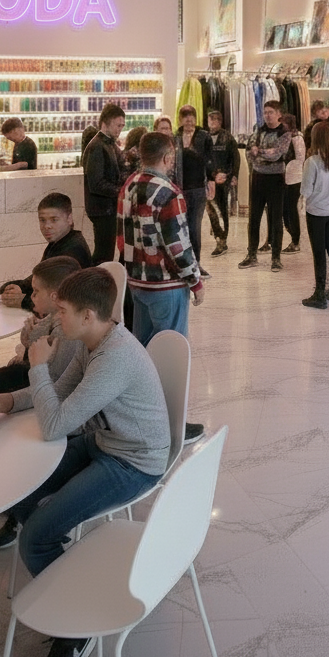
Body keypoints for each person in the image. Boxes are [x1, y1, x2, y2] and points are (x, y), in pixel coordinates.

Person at [0, 267, 170, 657]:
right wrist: (6, 400)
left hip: (133, 461)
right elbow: (59, 395)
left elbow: (56, 425)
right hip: (103, 442)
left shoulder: (114, 357)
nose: (53, 319)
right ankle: (71, 578)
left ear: (88, 316)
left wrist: (37, 365)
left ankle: (78, 627)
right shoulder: (91, 341)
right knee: (20, 495)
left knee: (34, 539)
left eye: (60, 311)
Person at [0, 255, 86, 551]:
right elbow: (33, 349)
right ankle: (15, 500)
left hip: (67, 416)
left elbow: (52, 387)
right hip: (50, 394)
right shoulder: (58, 321)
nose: (30, 298)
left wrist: (33, 365)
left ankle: (24, 507)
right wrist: (7, 401)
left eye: (35, 292)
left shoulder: (79, 338)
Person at [116, 131, 205, 442]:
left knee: (144, 354)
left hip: (137, 283)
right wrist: (195, 281)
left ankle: (140, 418)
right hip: (166, 286)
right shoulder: (168, 192)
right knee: (171, 356)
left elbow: (121, 237)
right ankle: (170, 425)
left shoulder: (128, 185)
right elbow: (178, 245)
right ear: (168, 157)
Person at [0, 192, 93, 310]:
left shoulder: (73, 251)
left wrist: (22, 301)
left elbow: (57, 300)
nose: (47, 226)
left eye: (54, 220)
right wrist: (13, 289)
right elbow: (38, 279)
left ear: (69, 219)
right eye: (42, 220)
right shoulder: (58, 242)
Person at [239, 100, 291, 272]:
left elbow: (277, 154)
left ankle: (276, 257)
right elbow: (248, 150)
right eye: (265, 112)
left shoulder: (284, 132)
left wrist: (259, 151)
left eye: (271, 112)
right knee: (253, 218)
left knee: (276, 219)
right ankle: (251, 254)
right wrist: (257, 154)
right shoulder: (258, 129)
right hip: (258, 177)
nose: (267, 115)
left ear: (278, 114)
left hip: (275, 179)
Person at [300, 122, 329, 309]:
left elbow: (306, 190)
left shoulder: (312, 162)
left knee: (319, 253)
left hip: (317, 212)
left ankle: (319, 294)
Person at [174, 105, 215, 277]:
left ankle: (196, 263)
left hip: (197, 188)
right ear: (181, 119)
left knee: (194, 228)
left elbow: (210, 160)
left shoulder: (203, 136)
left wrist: (211, 181)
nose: (189, 120)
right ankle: (181, 264)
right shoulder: (175, 137)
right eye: (185, 117)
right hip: (178, 189)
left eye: (191, 117)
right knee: (178, 228)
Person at [82, 103, 125, 264]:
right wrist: (121, 191)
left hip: (106, 208)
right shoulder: (97, 146)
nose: (120, 129)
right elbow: (96, 183)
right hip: (102, 209)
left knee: (106, 252)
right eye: (117, 125)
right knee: (103, 254)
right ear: (105, 123)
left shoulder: (108, 144)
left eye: (122, 126)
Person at [205, 109, 240, 256]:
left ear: (220, 122)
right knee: (211, 209)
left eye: (216, 120)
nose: (213, 123)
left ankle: (222, 239)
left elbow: (235, 158)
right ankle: (218, 235)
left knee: (222, 209)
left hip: (224, 179)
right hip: (208, 180)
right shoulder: (204, 137)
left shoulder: (228, 138)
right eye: (210, 120)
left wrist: (233, 175)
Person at [279, 113, 306, 253]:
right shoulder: (285, 137)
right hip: (284, 178)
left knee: (290, 209)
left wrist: (287, 169)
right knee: (285, 210)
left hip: (294, 179)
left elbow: (300, 158)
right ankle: (293, 237)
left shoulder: (297, 138)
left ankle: (295, 240)